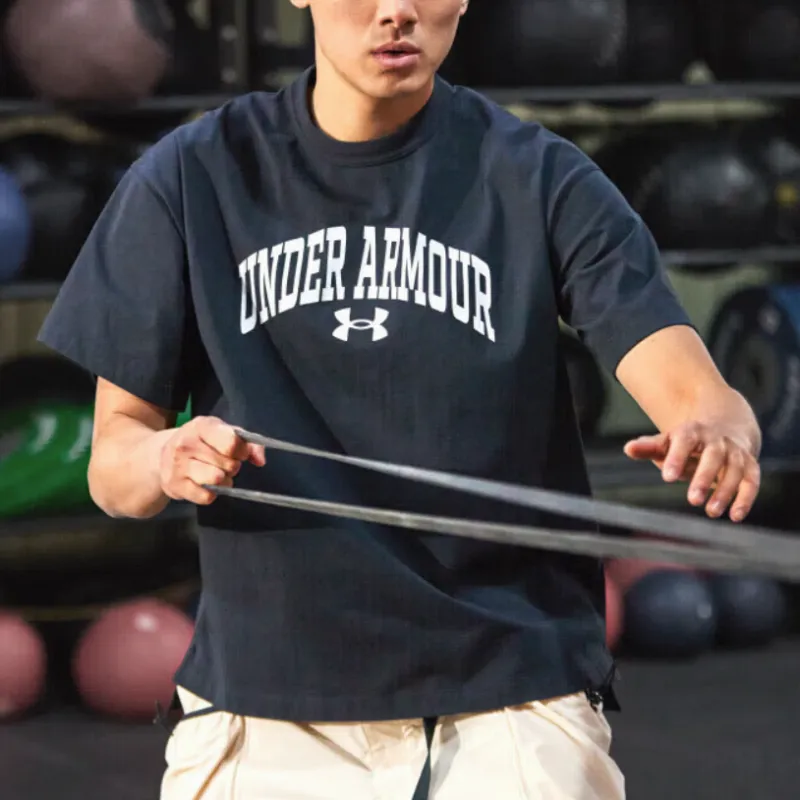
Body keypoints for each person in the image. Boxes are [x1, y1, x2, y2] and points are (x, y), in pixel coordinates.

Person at [38, 1, 762, 798]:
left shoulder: (540, 175)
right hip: (268, 695)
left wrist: (715, 425)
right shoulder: (191, 174)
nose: (397, 12)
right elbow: (115, 469)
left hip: (508, 689)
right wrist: (162, 457)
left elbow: (687, 383)